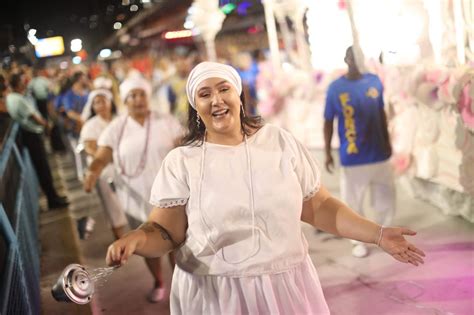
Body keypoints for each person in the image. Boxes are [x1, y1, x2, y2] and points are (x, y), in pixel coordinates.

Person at [105, 62, 425, 314]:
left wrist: (378, 234)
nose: (216, 100)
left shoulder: (279, 142)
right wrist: (137, 239)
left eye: (223, 89)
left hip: (286, 287)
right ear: (195, 107)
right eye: (205, 94)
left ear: (239, 95)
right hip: (217, 297)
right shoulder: (182, 162)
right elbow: (165, 231)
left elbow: (318, 206)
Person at [83, 76, 183, 303]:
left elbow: (184, 148)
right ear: (125, 101)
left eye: (142, 95)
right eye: (132, 96)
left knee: (178, 244)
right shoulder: (116, 128)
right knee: (147, 244)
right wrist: (92, 172)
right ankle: (159, 282)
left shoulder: (165, 120)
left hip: (172, 197)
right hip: (135, 200)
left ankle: (182, 286)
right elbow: (101, 157)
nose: (138, 100)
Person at [324, 46, 395, 258]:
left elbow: (381, 112)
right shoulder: (336, 88)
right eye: (353, 57)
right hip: (353, 157)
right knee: (353, 203)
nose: (357, 61)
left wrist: (388, 140)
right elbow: (328, 121)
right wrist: (328, 151)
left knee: (385, 198)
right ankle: (358, 241)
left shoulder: (374, 81)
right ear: (346, 59)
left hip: (379, 153)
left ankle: (385, 234)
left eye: (360, 57)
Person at [6, 73, 69, 209]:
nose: (25, 83)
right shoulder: (18, 99)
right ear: (18, 84)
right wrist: (47, 125)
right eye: (23, 81)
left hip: (27, 136)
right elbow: (35, 117)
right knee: (43, 169)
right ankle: (53, 200)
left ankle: (53, 197)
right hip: (32, 135)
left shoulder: (10, 98)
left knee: (42, 168)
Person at [79, 89, 127, 239]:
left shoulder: (120, 119)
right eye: (96, 102)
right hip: (104, 171)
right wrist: (109, 157)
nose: (101, 105)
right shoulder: (90, 126)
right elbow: (91, 149)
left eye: (103, 100)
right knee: (112, 206)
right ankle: (120, 239)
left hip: (123, 168)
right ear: (92, 106)